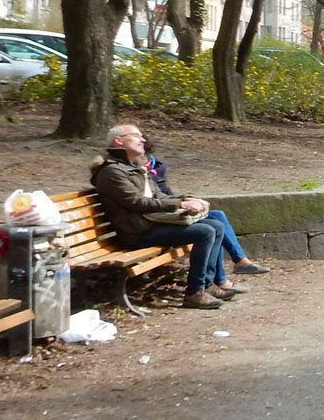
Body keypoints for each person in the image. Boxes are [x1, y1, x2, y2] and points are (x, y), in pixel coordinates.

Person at [93, 124, 231, 309]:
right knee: (204, 231)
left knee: (216, 225)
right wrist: (179, 205)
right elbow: (136, 203)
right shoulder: (113, 171)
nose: (143, 140)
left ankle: (207, 284)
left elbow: (158, 195)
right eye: (136, 136)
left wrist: (186, 199)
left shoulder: (134, 167)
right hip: (137, 232)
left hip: (151, 224)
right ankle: (194, 292)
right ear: (119, 141)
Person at [146, 141, 270, 294]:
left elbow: (164, 195)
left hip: (166, 214)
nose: (147, 159)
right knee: (210, 228)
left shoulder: (155, 168)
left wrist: (188, 199)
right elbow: (145, 202)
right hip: (157, 220)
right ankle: (217, 279)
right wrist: (180, 204)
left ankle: (228, 272)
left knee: (217, 218)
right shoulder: (130, 172)